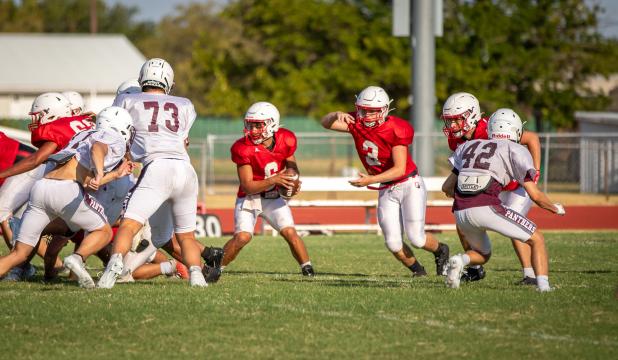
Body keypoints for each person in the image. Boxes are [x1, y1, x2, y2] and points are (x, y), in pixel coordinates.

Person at [98, 58, 208, 288]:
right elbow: (182, 139)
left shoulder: (127, 99)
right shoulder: (185, 104)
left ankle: (113, 269)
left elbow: (118, 131)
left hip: (157, 167)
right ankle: (196, 275)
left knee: (129, 225)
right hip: (186, 170)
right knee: (186, 235)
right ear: (168, 81)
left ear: (142, 78)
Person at [321, 86, 449, 277]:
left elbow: (398, 169)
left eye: (372, 111)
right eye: (363, 110)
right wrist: (336, 113)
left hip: (408, 183)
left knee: (417, 238)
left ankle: (441, 250)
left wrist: (370, 179)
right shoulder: (356, 121)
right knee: (393, 243)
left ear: (384, 110)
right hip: (386, 187)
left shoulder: (396, 128)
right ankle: (418, 271)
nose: (367, 115)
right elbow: (326, 123)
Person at [0, 106, 135, 288]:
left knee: (19, 254)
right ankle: (77, 258)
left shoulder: (82, 135)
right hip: (65, 189)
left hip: (42, 187)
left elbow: (85, 178)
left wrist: (114, 175)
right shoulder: (113, 138)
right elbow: (98, 148)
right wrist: (101, 172)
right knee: (104, 231)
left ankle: (25, 228)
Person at [442, 108, 565, 292]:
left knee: (483, 254)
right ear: (515, 130)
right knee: (536, 239)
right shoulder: (515, 149)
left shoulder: (468, 146)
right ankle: (544, 287)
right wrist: (555, 208)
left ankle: (460, 260)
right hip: (487, 206)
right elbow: (536, 196)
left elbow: (447, 188)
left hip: (460, 211)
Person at [205, 101, 314, 283]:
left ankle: (307, 268)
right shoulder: (243, 148)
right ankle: (214, 268)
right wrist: (275, 180)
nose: (253, 129)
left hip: (274, 197)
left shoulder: (286, 139)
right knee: (242, 237)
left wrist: (292, 181)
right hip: (250, 198)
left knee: (290, 233)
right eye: (250, 124)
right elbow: (248, 186)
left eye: (258, 125)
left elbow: (292, 166)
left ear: (272, 124)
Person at [0, 92, 95, 280]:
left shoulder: (58, 128)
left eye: (39, 115)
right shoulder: (85, 123)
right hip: (79, 182)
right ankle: (29, 267)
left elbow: (37, 159)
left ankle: (21, 266)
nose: (36, 121)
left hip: (53, 177)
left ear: (52, 114)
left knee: (12, 218)